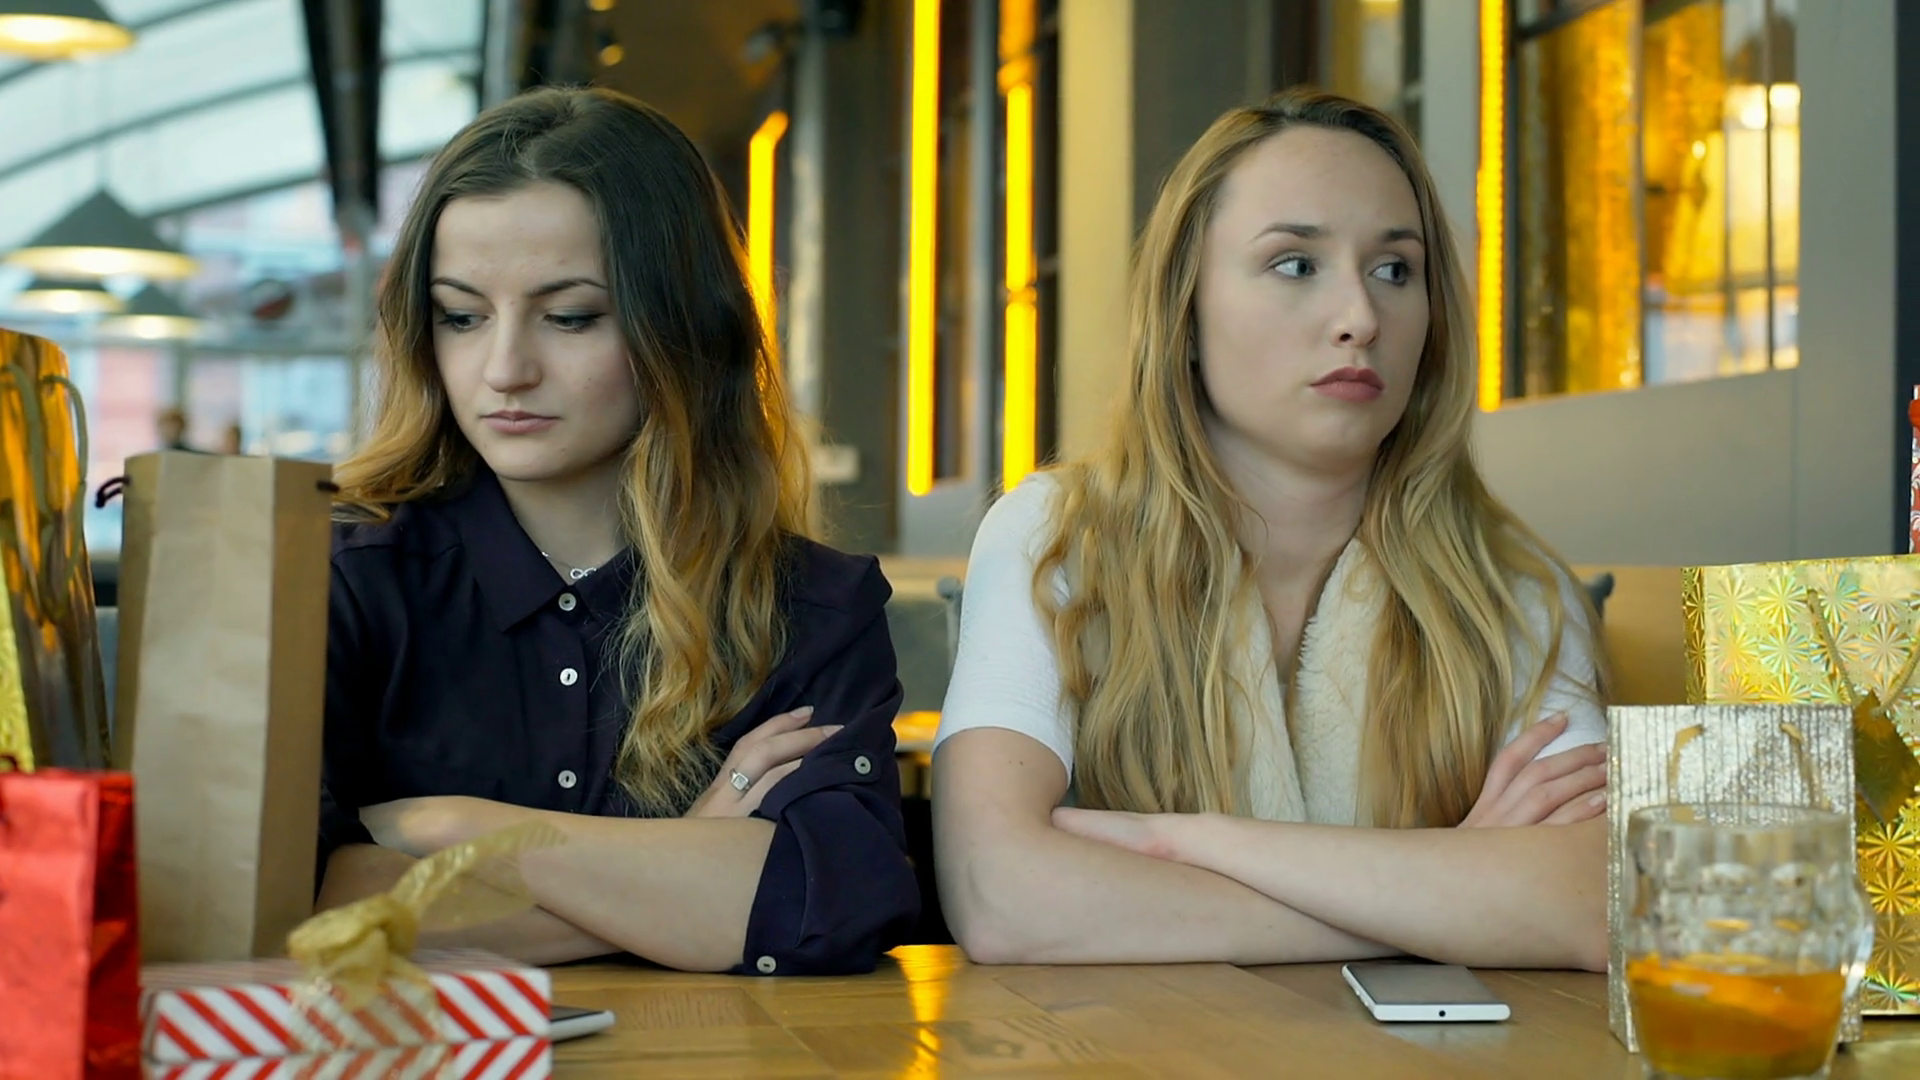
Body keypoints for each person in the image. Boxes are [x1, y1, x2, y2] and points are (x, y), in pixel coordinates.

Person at [933, 89, 1609, 973]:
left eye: (1394, 270)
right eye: (1295, 264)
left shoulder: (1511, 587)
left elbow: (1594, 902)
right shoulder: (1059, 538)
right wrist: (1446, 894)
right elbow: (1002, 899)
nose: (1360, 317)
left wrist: (1188, 842)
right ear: (1185, 312)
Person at [319, 86, 918, 975]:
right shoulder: (341, 578)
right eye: (462, 316)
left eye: (570, 317)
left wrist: (453, 828)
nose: (504, 369)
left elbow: (834, 903)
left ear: (682, 327)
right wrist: (686, 870)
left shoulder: (812, 607)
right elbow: (297, 905)